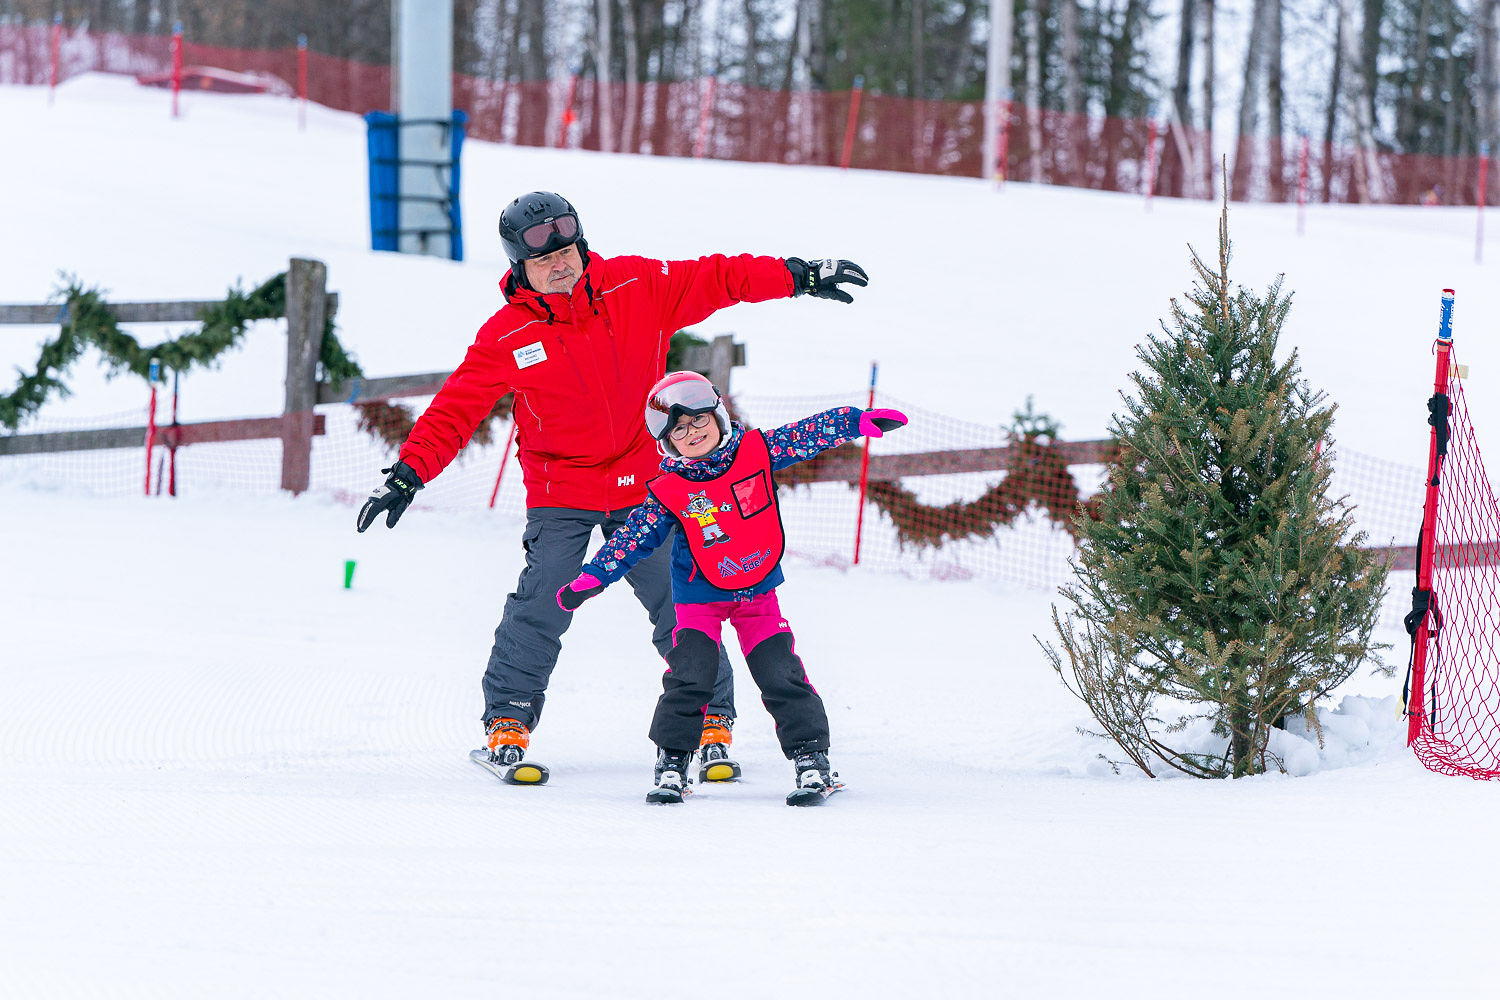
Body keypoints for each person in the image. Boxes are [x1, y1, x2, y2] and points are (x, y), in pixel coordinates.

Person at [355, 190, 869, 784]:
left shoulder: (635, 287)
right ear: (519, 266)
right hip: (561, 489)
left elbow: (719, 278)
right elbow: (456, 409)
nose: (561, 264)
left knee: (682, 602)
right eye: (545, 260)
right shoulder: (506, 334)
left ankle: (710, 719)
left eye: (568, 251)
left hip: (649, 487)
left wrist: (797, 276)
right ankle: (509, 722)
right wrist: (409, 472)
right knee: (544, 598)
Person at [555, 371, 908, 805]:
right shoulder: (670, 490)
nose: (693, 432)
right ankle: (672, 763)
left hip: (756, 593)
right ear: (668, 443)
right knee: (690, 676)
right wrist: (594, 576)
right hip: (699, 599)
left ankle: (812, 760)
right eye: (679, 430)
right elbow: (633, 536)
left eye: (699, 420)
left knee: (781, 672)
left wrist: (856, 421)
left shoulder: (757, 451)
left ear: (718, 416)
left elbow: (806, 434)